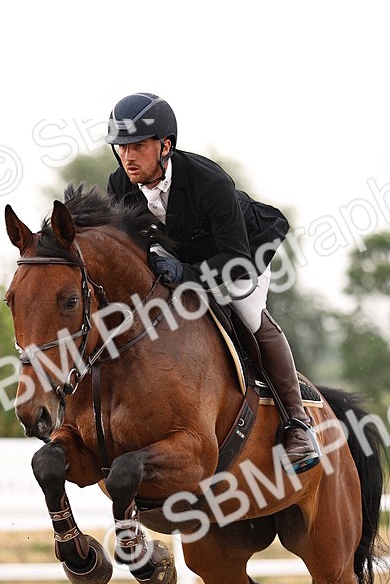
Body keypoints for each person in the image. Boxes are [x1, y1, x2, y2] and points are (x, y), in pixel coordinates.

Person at [105, 92, 320, 473]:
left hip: (239, 256)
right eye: (122, 147)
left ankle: (297, 424)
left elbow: (235, 261)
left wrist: (186, 275)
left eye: (138, 146)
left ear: (165, 145)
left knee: (249, 315)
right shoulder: (119, 184)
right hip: (182, 256)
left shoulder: (210, 181)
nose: (128, 157)